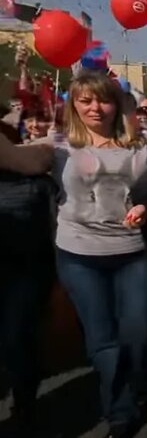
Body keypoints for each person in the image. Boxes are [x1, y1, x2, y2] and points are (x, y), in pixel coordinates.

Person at [48, 72, 147, 437]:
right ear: (74, 105)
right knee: (104, 343)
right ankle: (120, 411)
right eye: (85, 100)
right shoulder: (57, 145)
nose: (95, 108)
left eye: (103, 100)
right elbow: (16, 160)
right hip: (79, 256)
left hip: (133, 253)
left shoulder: (143, 143)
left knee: (139, 333)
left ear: (117, 103)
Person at [0, 129, 56, 435]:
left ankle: (24, 402)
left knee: (15, 336)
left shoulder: (36, 183)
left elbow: (55, 228)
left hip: (27, 270)